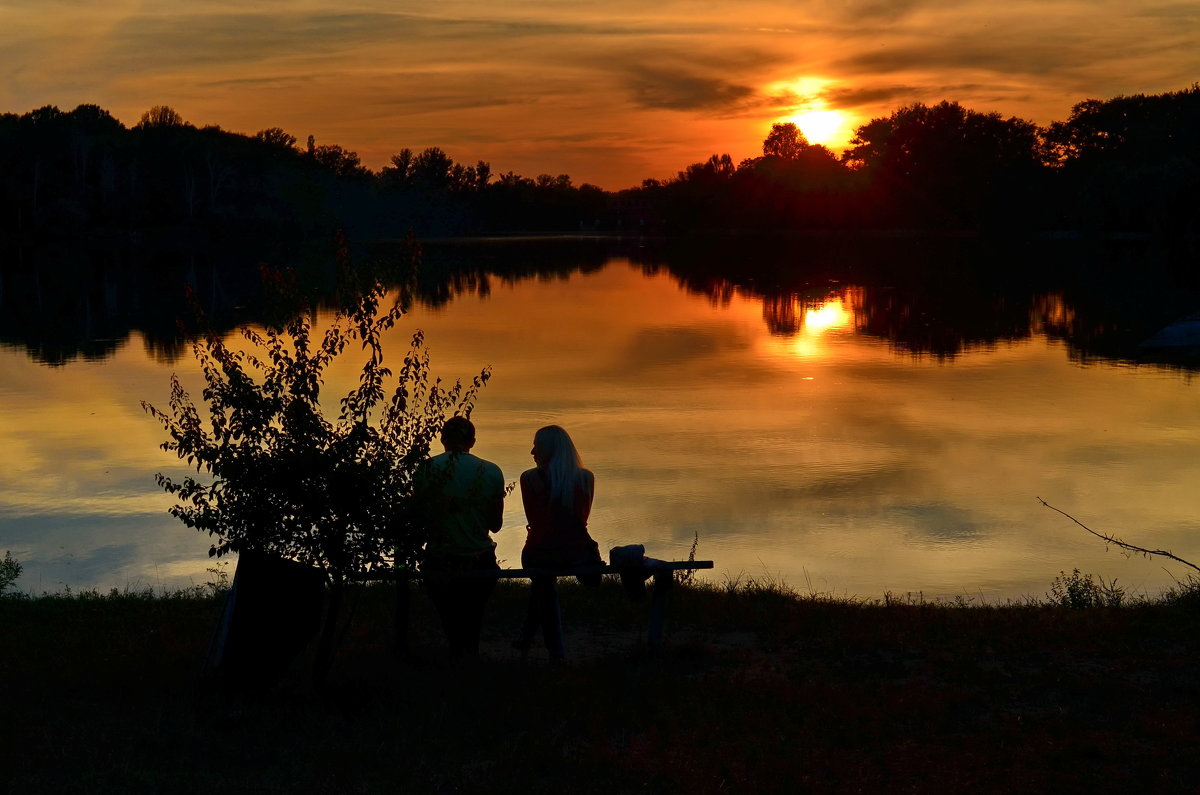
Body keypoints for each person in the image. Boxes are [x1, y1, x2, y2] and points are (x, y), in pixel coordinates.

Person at [416, 416, 506, 659]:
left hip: (439, 558)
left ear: (442, 439)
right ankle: (469, 656)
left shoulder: (425, 469)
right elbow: (495, 525)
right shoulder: (491, 471)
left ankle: (458, 655)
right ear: (473, 442)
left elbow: (420, 517)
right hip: (480, 559)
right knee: (473, 614)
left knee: (451, 618)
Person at [514, 424, 602, 660]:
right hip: (576, 554)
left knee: (544, 585)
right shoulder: (586, 478)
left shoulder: (529, 479)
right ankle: (525, 637)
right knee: (542, 586)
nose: (532, 452)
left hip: (538, 552)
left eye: (537, 446)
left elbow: (533, 518)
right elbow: (582, 517)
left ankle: (556, 653)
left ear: (549, 449)